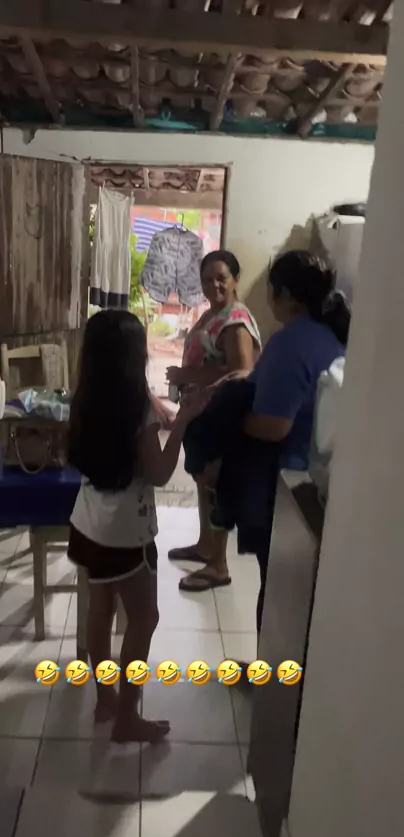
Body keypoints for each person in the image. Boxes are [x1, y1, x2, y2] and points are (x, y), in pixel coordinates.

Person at [179, 250, 350, 619]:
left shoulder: (290, 342)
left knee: (277, 592)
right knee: (289, 591)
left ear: (283, 294)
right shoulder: (327, 335)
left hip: (286, 479)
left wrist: (229, 424)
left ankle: (268, 661)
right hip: (315, 477)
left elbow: (273, 426)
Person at [67, 310, 203, 743]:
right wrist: (183, 421)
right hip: (127, 535)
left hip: (88, 524)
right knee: (144, 618)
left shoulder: (85, 398)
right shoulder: (135, 409)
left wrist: (161, 413)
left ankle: (105, 698)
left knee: (100, 611)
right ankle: (127, 716)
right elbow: (160, 473)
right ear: (133, 356)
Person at [165, 250, 261, 585]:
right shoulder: (213, 314)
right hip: (201, 411)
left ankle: (218, 565)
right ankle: (206, 546)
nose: (214, 285)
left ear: (236, 279)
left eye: (221, 278)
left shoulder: (235, 319)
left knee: (215, 483)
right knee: (202, 480)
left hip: (221, 414)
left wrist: (186, 375)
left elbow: (241, 371)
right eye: (207, 279)